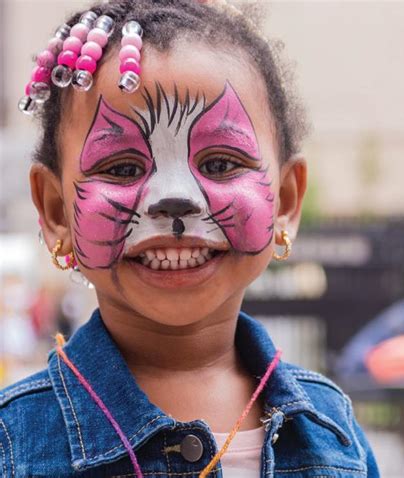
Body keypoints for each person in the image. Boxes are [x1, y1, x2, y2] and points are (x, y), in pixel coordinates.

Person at [0, 1, 379, 476]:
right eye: (122, 168)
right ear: (56, 211)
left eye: (220, 164)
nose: (174, 199)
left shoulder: (333, 429)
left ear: (284, 201)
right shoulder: (12, 441)